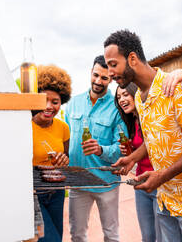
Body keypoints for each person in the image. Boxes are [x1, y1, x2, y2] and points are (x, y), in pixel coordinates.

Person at [104, 30, 182, 242]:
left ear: (132, 59)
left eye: (112, 64)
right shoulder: (138, 96)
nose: (110, 72)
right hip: (164, 201)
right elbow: (154, 138)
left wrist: (162, 175)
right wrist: (133, 158)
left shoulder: (176, 88)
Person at [64, 55, 127, 242]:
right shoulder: (73, 103)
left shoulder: (118, 107)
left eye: (104, 78)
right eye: (95, 75)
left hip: (106, 182)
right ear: (91, 72)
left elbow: (122, 148)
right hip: (78, 181)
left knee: (111, 234)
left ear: (111, 79)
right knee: (77, 234)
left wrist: (100, 149)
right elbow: (65, 140)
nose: (98, 81)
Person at [115, 83, 161, 242]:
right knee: (147, 236)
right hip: (140, 183)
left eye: (126, 95)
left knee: (162, 236)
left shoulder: (151, 116)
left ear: (136, 93)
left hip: (159, 181)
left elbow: (155, 144)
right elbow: (138, 153)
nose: (122, 100)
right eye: (119, 97)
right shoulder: (131, 122)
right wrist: (129, 152)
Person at [32, 64, 72, 242]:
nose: (49, 107)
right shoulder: (23, 126)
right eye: (43, 100)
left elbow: (67, 159)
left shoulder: (63, 128)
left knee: (57, 237)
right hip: (33, 193)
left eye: (55, 102)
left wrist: (64, 160)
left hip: (56, 192)